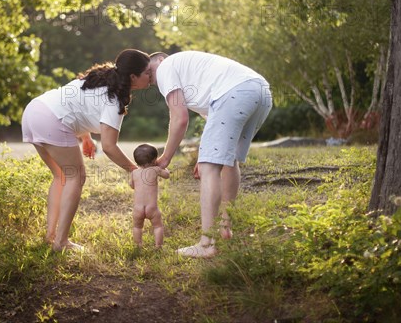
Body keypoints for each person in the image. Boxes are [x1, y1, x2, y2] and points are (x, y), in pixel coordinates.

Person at [21, 49, 152, 252]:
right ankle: (61, 242)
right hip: (51, 119)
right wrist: (134, 170)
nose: (151, 77)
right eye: (148, 73)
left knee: (61, 176)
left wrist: (85, 136)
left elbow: (77, 104)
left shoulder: (100, 77)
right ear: (133, 77)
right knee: (75, 177)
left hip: (34, 110)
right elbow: (109, 146)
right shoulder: (115, 98)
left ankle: (51, 236)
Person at [148, 50, 272, 258]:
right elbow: (212, 117)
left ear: (160, 60)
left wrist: (166, 157)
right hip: (260, 90)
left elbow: (180, 119)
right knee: (228, 160)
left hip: (235, 93)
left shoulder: (166, 67)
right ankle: (225, 227)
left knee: (210, 167)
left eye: (150, 73)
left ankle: (206, 244)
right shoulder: (192, 72)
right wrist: (207, 154)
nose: (153, 80)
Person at [129, 143, 170, 248]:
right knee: (157, 226)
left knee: (137, 227)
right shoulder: (155, 169)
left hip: (138, 208)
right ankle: (158, 246)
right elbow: (166, 175)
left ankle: (138, 245)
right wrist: (163, 168)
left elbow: (132, 186)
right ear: (153, 160)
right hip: (152, 207)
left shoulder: (134, 173)